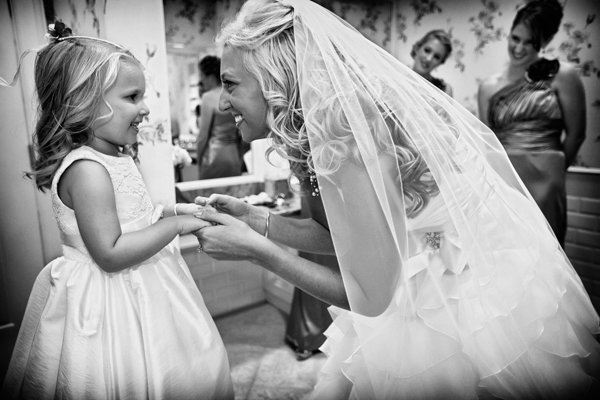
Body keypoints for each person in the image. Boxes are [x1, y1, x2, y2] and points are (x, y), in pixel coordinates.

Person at [192, 0, 600, 399]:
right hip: (423, 258)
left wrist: (260, 252)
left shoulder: (344, 131)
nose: (221, 101)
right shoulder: (319, 124)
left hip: (469, 277)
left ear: (274, 79)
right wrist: (257, 219)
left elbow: (372, 298)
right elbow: (349, 241)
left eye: (230, 84)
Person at [1, 22, 233, 400]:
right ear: (83, 102)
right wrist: (175, 225)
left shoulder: (116, 156)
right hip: (111, 302)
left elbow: (135, 219)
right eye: (132, 96)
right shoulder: (88, 170)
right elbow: (110, 253)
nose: (145, 108)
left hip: (148, 283)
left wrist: (176, 208)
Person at [478, 0, 585, 247]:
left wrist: (554, 173)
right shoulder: (488, 87)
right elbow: (487, 141)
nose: (519, 48)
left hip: (546, 183)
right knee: (502, 253)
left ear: (544, 42)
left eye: (530, 42)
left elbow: (577, 134)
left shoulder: (563, 75)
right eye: (515, 38)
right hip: (502, 184)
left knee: (545, 256)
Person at [197, 55, 244, 179]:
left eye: (201, 76)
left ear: (210, 76)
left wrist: (199, 159)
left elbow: (203, 137)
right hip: (233, 155)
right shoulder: (232, 93)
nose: (201, 81)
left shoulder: (208, 97)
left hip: (214, 156)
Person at [410, 29, 453, 96]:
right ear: (417, 48)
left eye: (436, 57)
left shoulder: (444, 90)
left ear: (440, 63)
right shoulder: (395, 77)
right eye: (427, 50)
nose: (429, 59)